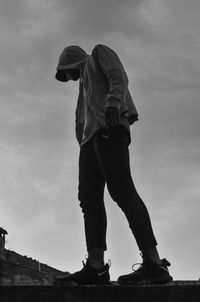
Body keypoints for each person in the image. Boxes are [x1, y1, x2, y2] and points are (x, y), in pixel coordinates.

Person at [54, 44, 173, 285]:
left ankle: (154, 263)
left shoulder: (98, 54)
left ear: (69, 61)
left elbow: (118, 75)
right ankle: (96, 267)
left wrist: (113, 104)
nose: (67, 78)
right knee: (88, 199)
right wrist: (83, 145)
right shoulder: (82, 86)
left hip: (109, 128)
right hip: (90, 142)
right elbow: (80, 120)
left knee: (121, 190)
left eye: (65, 73)